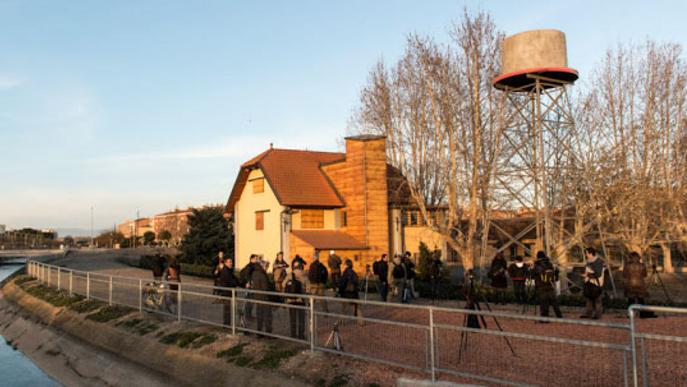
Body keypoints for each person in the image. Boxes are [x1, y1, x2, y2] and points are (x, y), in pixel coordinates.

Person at [623, 252, 655, 318]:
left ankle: (631, 314)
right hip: (640, 284)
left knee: (630, 300)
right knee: (641, 300)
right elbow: (645, 274)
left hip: (630, 284)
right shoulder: (642, 265)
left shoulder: (627, 265)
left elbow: (624, 275)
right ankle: (642, 314)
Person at [533, 251, 562, 319]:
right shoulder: (549, 263)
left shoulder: (537, 265)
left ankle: (544, 316)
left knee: (543, 301)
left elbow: (533, 274)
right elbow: (554, 273)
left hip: (541, 285)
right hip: (550, 284)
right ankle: (559, 315)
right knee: (554, 301)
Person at [282, 262, 307, 339]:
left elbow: (283, 284)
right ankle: (301, 335)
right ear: (300, 267)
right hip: (300, 300)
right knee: (301, 318)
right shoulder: (303, 275)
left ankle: (293, 334)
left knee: (292, 318)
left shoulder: (289, 275)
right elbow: (309, 287)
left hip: (291, 300)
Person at [250, 259, 274, 335]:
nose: (267, 268)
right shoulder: (262, 274)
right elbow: (265, 287)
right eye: (266, 266)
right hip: (264, 297)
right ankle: (268, 332)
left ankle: (259, 331)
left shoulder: (254, 273)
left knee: (259, 314)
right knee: (267, 315)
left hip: (257, 296)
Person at [581, 247, 606, 320]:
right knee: (589, 298)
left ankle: (598, 315)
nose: (586, 255)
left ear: (590, 253)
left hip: (596, 283)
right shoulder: (589, 261)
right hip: (589, 282)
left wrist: (588, 275)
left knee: (597, 299)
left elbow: (598, 273)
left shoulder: (598, 261)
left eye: (586, 253)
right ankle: (588, 313)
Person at [338, 259, 363, 325]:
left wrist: (339, 292)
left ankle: (342, 322)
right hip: (354, 293)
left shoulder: (345, 273)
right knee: (358, 308)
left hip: (346, 293)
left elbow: (342, 284)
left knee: (344, 308)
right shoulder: (354, 273)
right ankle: (361, 322)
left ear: (346, 265)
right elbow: (357, 283)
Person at [217, 256, 239, 326]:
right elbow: (231, 281)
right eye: (229, 262)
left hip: (229, 292)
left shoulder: (229, 270)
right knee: (227, 309)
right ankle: (226, 324)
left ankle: (228, 323)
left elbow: (235, 279)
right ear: (225, 263)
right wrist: (236, 283)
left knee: (228, 308)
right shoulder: (225, 271)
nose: (231, 263)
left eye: (231, 262)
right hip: (227, 292)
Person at [240, 254, 259, 319]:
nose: (257, 260)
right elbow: (247, 275)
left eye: (257, 259)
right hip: (250, 286)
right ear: (252, 259)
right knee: (249, 300)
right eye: (256, 259)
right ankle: (248, 315)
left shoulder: (253, 265)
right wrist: (248, 282)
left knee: (251, 300)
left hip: (252, 285)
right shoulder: (250, 266)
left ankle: (249, 315)